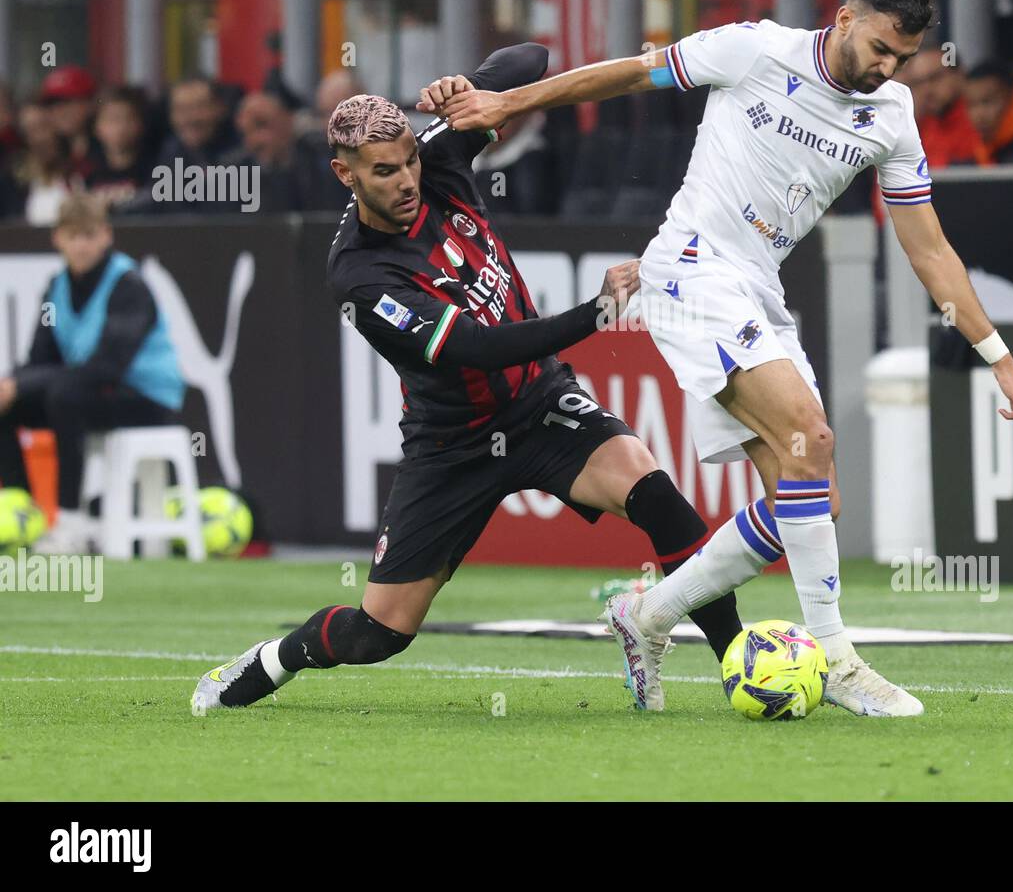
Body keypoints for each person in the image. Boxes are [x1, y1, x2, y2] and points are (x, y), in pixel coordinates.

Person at [435, 0, 1013, 718]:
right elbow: (630, 73)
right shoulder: (756, 50)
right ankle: (839, 660)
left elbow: (929, 248)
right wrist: (505, 103)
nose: (888, 67)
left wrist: (999, 356)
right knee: (808, 437)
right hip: (691, 272)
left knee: (810, 496)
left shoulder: (892, 113)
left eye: (904, 57)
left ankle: (647, 615)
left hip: (757, 289)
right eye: (881, 47)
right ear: (845, 20)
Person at [190, 47, 746, 715]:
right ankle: (271, 660)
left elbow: (530, 58)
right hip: (452, 444)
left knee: (655, 493)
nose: (406, 181)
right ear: (346, 174)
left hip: (539, 402)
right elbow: (477, 349)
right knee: (380, 632)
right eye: (385, 172)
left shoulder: (438, 159)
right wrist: (595, 313)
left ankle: (742, 664)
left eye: (410, 162)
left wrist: (468, 84)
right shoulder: (362, 274)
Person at [0, 194, 185, 551]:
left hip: (145, 397)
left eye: (89, 235)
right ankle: (24, 514)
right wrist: (13, 385)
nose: (81, 246)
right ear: (58, 238)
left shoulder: (129, 285)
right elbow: (41, 358)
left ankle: (71, 523)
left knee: (63, 398)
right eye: (73, 236)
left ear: (106, 235)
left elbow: (108, 367)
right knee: (9, 405)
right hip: (89, 391)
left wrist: (22, 382)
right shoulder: (56, 289)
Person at [903, 46, 979, 168]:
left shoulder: (981, 119)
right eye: (918, 83)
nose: (926, 90)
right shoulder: (921, 129)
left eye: (934, 78)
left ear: (959, 74)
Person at [85, 85, 156, 208]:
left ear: (140, 124)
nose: (121, 128)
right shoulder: (85, 172)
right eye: (112, 119)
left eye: (128, 119)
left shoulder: (157, 170)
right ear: (96, 127)